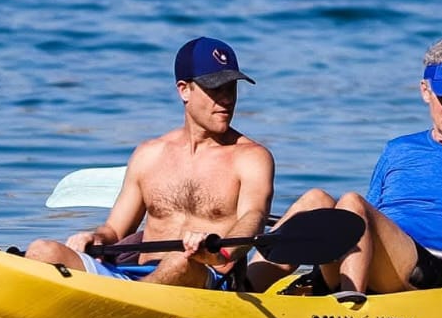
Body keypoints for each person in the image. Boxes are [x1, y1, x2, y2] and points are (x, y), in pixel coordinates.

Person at [279, 36, 442, 297]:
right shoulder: (397, 149)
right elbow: (369, 216)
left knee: (351, 202)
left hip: (434, 269)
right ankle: (245, 286)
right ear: (426, 91)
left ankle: (349, 307)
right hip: (380, 260)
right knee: (315, 200)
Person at [25, 37, 276, 290]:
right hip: (134, 278)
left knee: (179, 260)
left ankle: (115, 309)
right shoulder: (149, 155)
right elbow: (114, 229)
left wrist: (219, 251)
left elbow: (253, 217)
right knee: (41, 251)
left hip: (207, 279)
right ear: (184, 89)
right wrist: (96, 237)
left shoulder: (251, 157)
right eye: (215, 88)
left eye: (231, 87)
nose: (226, 99)